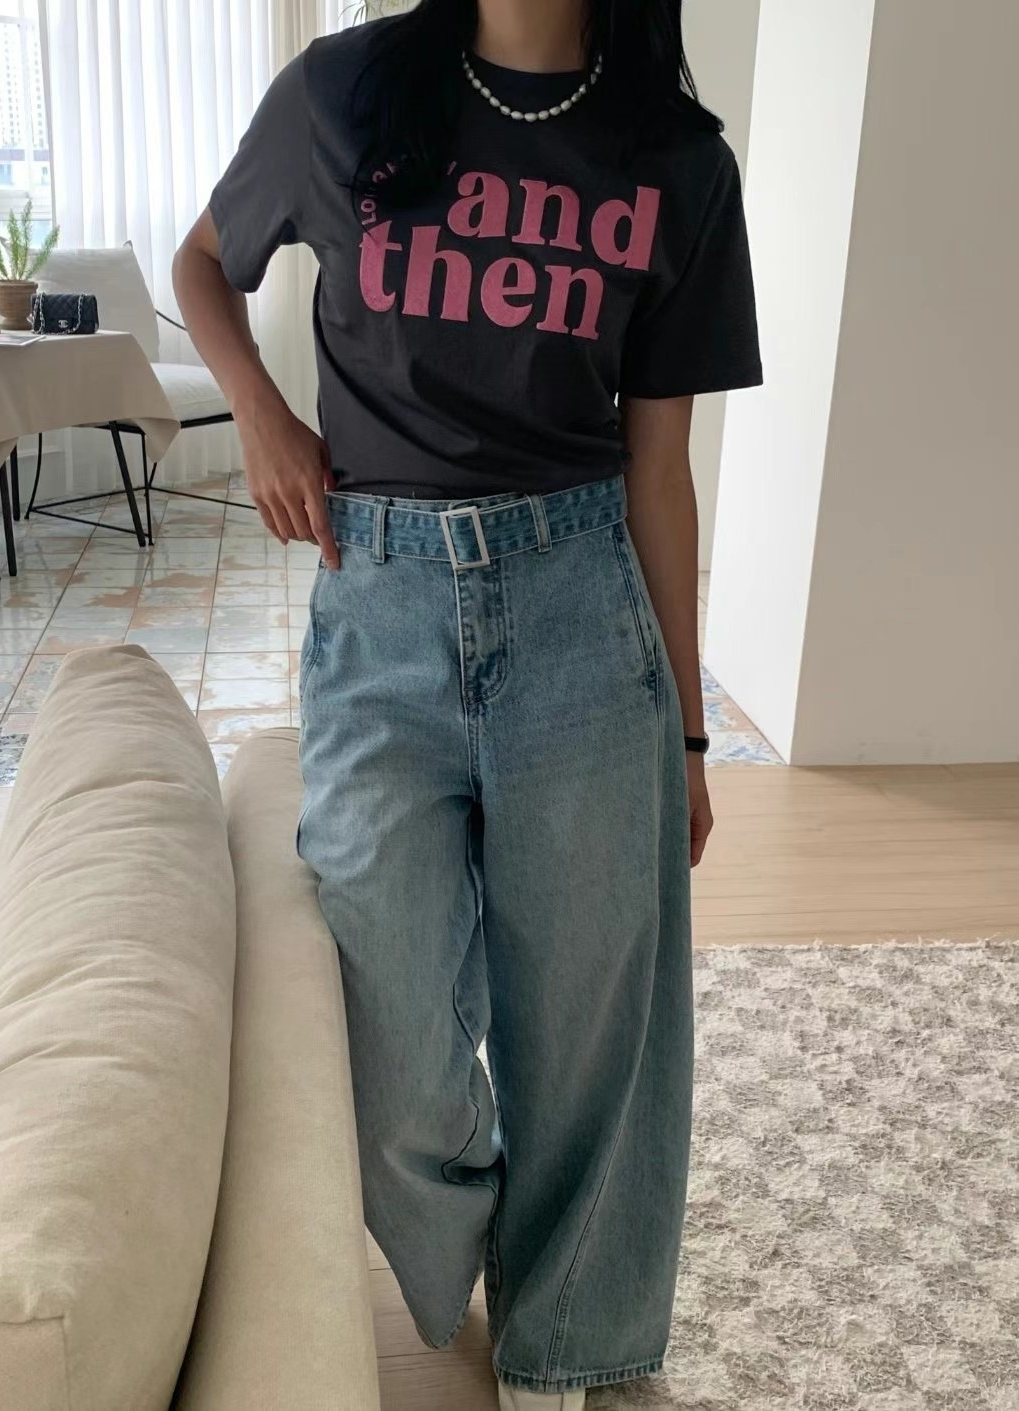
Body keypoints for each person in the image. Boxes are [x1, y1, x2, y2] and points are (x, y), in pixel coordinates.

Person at [173, 1, 761, 1405]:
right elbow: (202, 262)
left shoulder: (677, 159)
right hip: (380, 604)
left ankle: (567, 1341)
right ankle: (476, 1245)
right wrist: (260, 408)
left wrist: (685, 733)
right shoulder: (347, 88)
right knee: (387, 1026)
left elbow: (659, 471)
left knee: (593, 1029)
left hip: (581, 611)